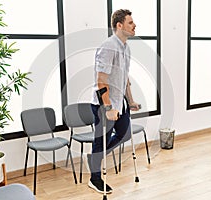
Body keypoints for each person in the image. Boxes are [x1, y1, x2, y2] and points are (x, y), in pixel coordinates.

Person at [88, 9, 140, 194]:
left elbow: (125, 78)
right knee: (101, 142)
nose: (134, 25)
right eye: (130, 22)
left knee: (125, 134)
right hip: (105, 104)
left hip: (121, 102)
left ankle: (95, 157)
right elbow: (101, 80)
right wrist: (108, 108)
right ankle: (94, 178)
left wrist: (131, 101)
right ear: (119, 25)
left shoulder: (126, 48)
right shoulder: (108, 47)